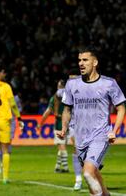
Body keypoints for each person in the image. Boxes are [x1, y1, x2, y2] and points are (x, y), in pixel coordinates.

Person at [57, 46, 125, 196]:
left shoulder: (109, 83)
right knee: (93, 175)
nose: (81, 63)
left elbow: (121, 109)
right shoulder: (72, 84)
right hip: (80, 138)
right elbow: (67, 110)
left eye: (85, 60)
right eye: (79, 60)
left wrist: (114, 131)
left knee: (87, 173)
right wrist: (63, 128)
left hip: (100, 135)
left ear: (95, 62)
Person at [37, 80, 69, 173]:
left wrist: (40, 124)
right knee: (61, 145)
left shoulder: (54, 98)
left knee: (61, 146)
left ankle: (66, 168)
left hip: (59, 125)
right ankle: (58, 167)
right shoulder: (69, 97)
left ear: (59, 86)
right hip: (68, 124)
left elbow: (47, 112)